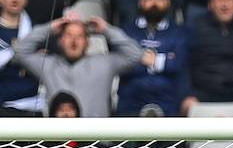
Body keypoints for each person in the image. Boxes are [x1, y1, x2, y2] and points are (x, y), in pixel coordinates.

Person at [12, 14, 142, 118]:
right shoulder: (48, 65)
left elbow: (136, 54)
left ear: (87, 43)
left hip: (96, 144)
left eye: (80, 36)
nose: (74, 41)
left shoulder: (103, 63)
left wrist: (106, 30)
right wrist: (49, 28)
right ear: (60, 41)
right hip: (57, 143)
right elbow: (20, 52)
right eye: (68, 35)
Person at [115, 0, 187, 117]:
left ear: (168, 2)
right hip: (130, 104)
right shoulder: (126, 32)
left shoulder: (180, 33)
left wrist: (144, 59)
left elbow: (178, 64)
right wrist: (164, 61)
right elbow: (123, 64)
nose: (154, 3)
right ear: (140, 2)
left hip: (168, 105)